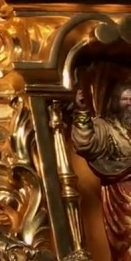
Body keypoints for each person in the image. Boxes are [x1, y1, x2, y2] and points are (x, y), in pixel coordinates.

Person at [71, 83, 131, 258]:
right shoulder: (105, 127)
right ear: (115, 102)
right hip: (123, 195)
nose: (129, 104)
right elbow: (85, 144)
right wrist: (82, 112)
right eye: (125, 99)